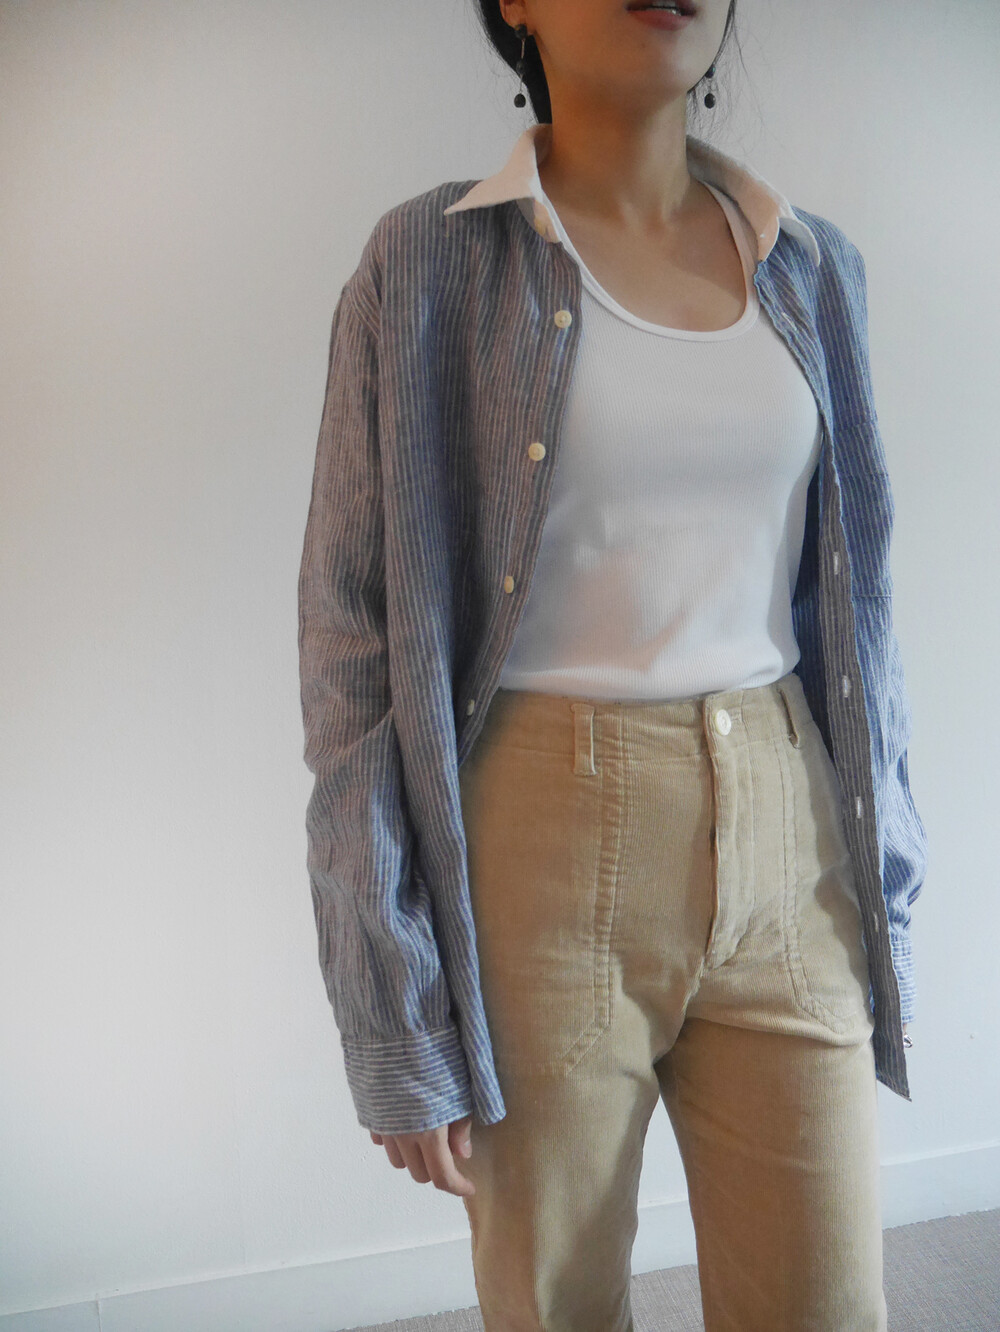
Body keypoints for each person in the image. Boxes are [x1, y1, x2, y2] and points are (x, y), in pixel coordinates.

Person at [297, 1, 927, 1326]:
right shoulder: (429, 260)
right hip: (541, 845)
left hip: (790, 829)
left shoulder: (814, 267)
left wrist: (891, 874)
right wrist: (394, 1001)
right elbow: (353, 641)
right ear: (514, 2)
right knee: (559, 1300)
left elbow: (859, 610)